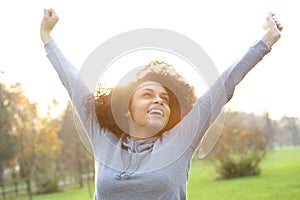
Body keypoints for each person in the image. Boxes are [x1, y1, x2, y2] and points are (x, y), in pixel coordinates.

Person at [40, 8, 283, 200]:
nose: (158, 99)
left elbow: (224, 86)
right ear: (127, 107)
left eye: (165, 98)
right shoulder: (104, 139)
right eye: (147, 94)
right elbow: (73, 82)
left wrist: (266, 41)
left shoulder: (180, 141)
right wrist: (47, 37)